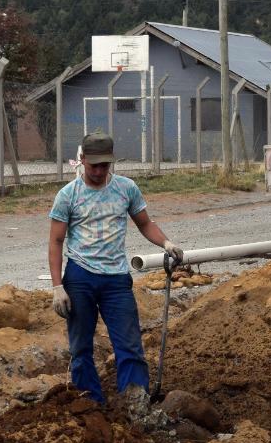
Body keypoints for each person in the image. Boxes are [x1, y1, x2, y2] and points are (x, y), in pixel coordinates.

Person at [48, 132, 183, 410]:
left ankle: (135, 405)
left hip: (116, 280)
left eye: (104, 165)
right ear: (82, 159)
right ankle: (90, 405)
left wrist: (166, 242)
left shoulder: (126, 189)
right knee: (81, 347)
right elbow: (56, 241)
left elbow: (144, 223)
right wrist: (57, 286)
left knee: (129, 345)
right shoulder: (68, 195)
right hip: (80, 277)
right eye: (93, 165)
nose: (99, 171)